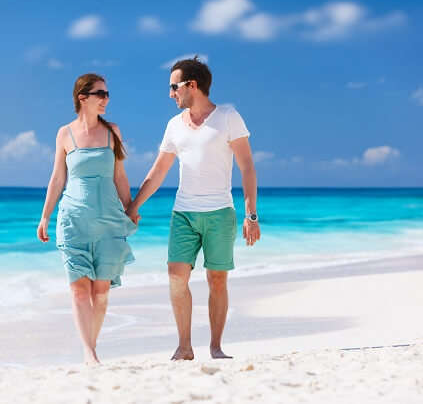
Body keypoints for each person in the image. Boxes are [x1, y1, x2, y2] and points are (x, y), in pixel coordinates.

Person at [127, 56, 260, 360]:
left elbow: (247, 167)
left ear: (192, 85)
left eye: (174, 87)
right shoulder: (174, 125)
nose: (171, 93)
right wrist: (134, 205)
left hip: (220, 213)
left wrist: (251, 214)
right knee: (176, 276)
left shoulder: (228, 117)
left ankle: (215, 347)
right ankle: (184, 346)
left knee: (217, 279)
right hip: (183, 214)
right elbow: (158, 171)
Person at [37, 73, 137, 365]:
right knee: (80, 290)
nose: (106, 99)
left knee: (102, 292)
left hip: (108, 220)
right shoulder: (64, 134)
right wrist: (45, 217)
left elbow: (120, 176)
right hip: (73, 220)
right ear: (83, 98)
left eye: (107, 94)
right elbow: (58, 178)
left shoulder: (112, 131)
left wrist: (130, 209)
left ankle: (90, 347)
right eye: (100, 94)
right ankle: (90, 353)